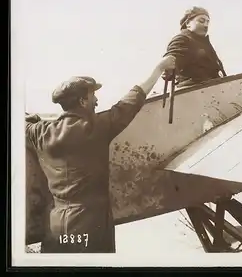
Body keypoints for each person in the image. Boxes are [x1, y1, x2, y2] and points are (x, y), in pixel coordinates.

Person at [25, 55, 176, 253]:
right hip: (90, 225)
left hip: (56, 226)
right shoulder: (97, 127)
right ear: (82, 100)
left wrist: (35, 118)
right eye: (92, 95)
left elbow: (22, 122)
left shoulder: (41, 132)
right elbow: (133, 99)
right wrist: (160, 67)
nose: (96, 101)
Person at [163, 6, 227, 87]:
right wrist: (169, 69)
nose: (206, 25)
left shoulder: (204, 43)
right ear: (187, 24)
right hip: (195, 93)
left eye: (207, 22)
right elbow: (171, 60)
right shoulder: (182, 39)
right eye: (201, 21)